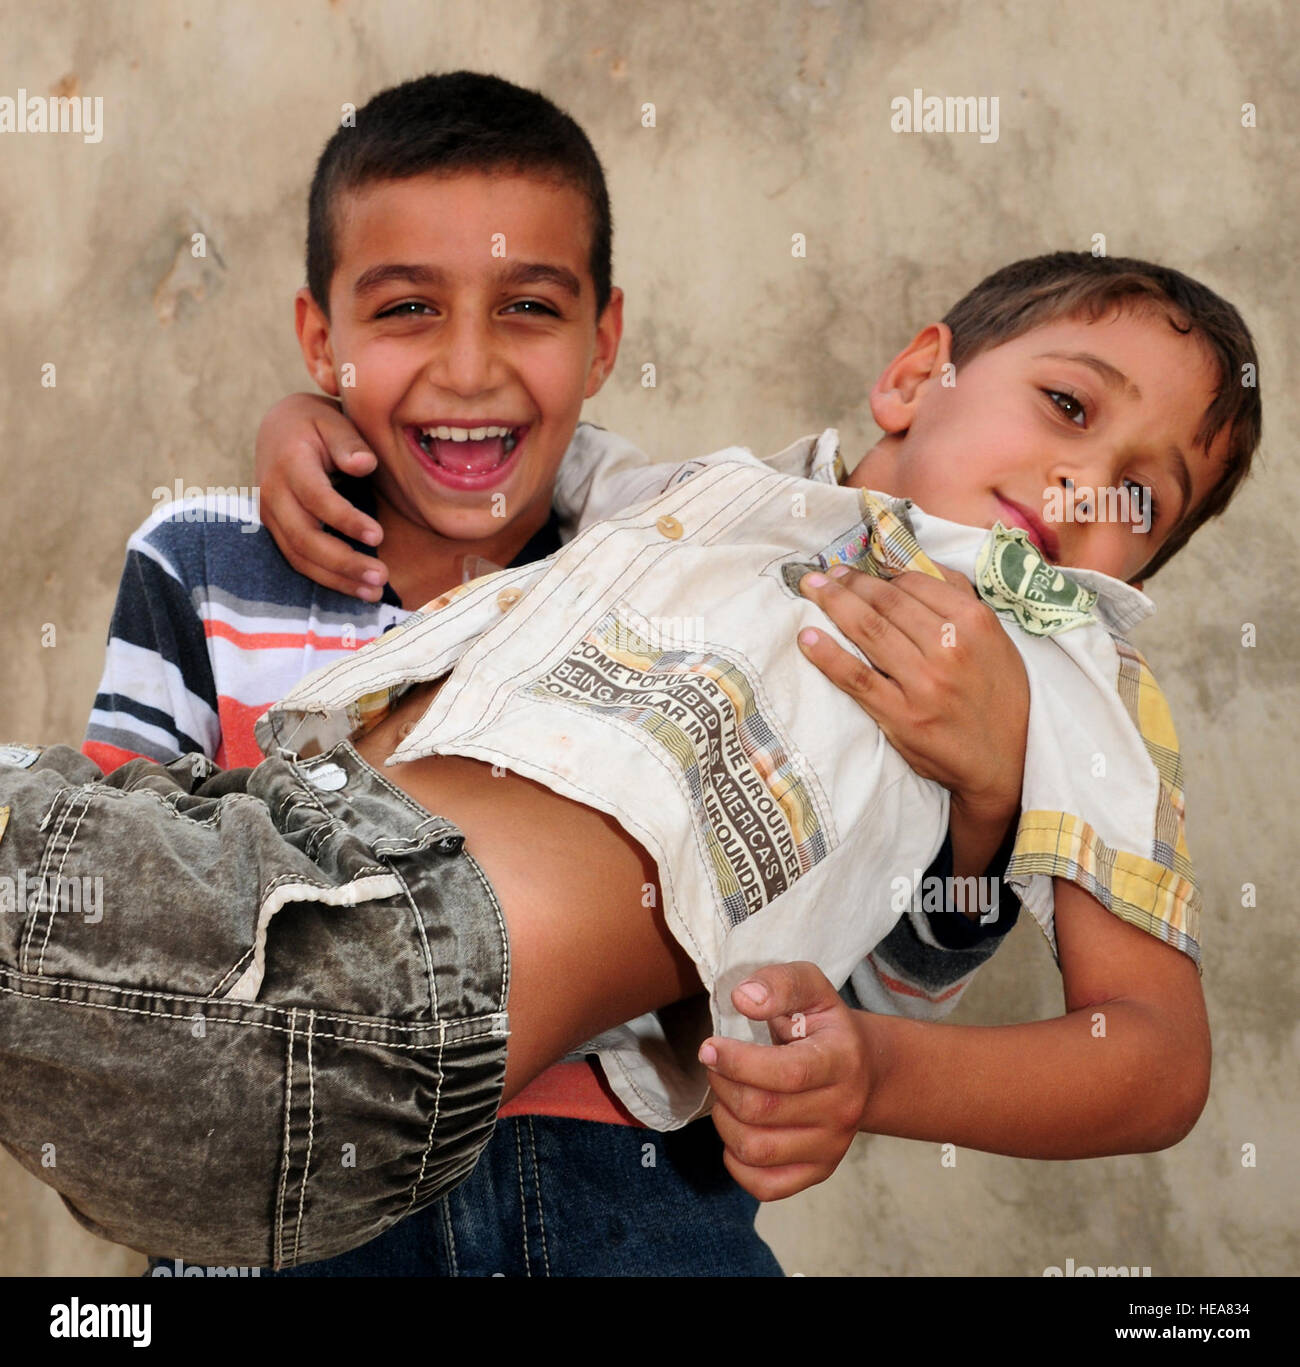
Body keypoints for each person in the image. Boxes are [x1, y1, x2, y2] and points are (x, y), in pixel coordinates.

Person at [0, 244, 1258, 1269]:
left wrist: (872, 1069)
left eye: (1143, 498)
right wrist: (309, 421)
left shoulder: (1069, 666)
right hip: (240, 882)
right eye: (1069, 406)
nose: (1086, 483)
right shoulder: (697, 496)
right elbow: (482, 451)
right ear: (915, 374)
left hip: (395, 991)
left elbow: (1151, 1059)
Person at [75, 71, 1024, 1276]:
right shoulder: (200, 562)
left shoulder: (688, 580)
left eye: (528, 306)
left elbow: (866, 988)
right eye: (407, 308)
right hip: (294, 1190)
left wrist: (983, 818)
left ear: (603, 337)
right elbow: (113, 933)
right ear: (321, 339)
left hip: (627, 1189)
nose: (469, 367)